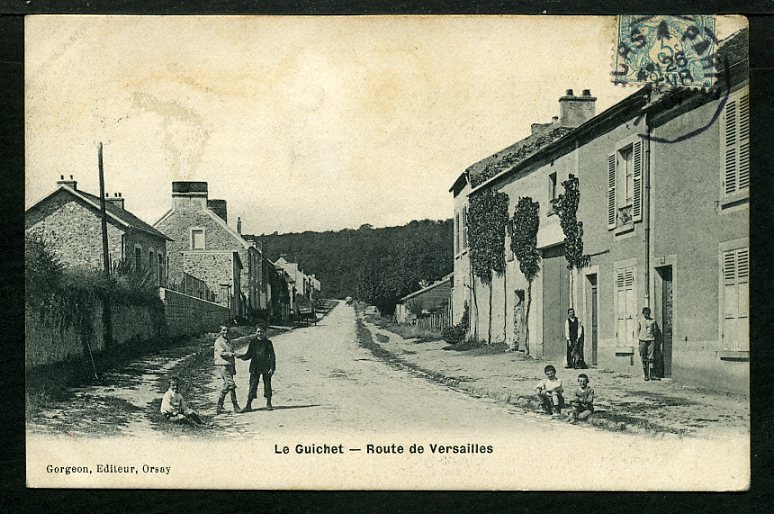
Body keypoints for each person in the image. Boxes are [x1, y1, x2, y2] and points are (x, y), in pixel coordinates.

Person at [238, 326, 276, 412]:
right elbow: (249, 354)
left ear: (265, 332)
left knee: (267, 385)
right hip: (255, 367)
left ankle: (269, 403)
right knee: (253, 385)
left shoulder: (268, 343)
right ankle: (248, 405)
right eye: (258, 332)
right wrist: (241, 356)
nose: (259, 333)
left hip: (266, 366)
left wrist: (272, 368)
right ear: (255, 332)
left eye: (261, 332)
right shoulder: (253, 342)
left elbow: (272, 356)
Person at [214, 325, 241, 414]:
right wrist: (232, 354)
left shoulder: (228, 341)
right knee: (231, 385)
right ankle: (235, 406)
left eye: (227, 330)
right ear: (220, 332)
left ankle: (219, 406)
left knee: (227, 385)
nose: (226, 332)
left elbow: (231, 352)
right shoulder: (218, 342)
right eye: (223, 330)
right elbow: (222, 353)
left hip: (229, 365)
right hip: (222, 365)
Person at [638, 307, 660, 381]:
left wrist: (652, 337)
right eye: (645, 313)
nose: (647, 315)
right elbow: (638, 330)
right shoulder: (640, 321)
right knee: (643, 357)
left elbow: (655, 331)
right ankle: (646, 375)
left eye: (648, 313)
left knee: (651, 357)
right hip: (642, 340)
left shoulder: (653, 321)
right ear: (643, 313)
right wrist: (640, 339)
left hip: (651, 340)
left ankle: (652, 375)